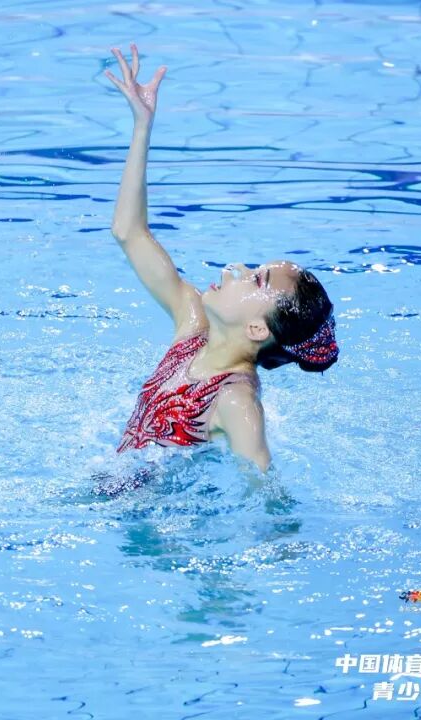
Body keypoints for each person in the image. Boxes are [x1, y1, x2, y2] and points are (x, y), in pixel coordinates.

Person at [104, 44, 339, 474]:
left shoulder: (236, 401)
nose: (235, 270)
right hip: (113, 490)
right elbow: (129, 232)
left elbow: (264, 489)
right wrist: (142, 126)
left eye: (255, 280)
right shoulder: (192, 326)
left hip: (153, 516)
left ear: (257, 329)